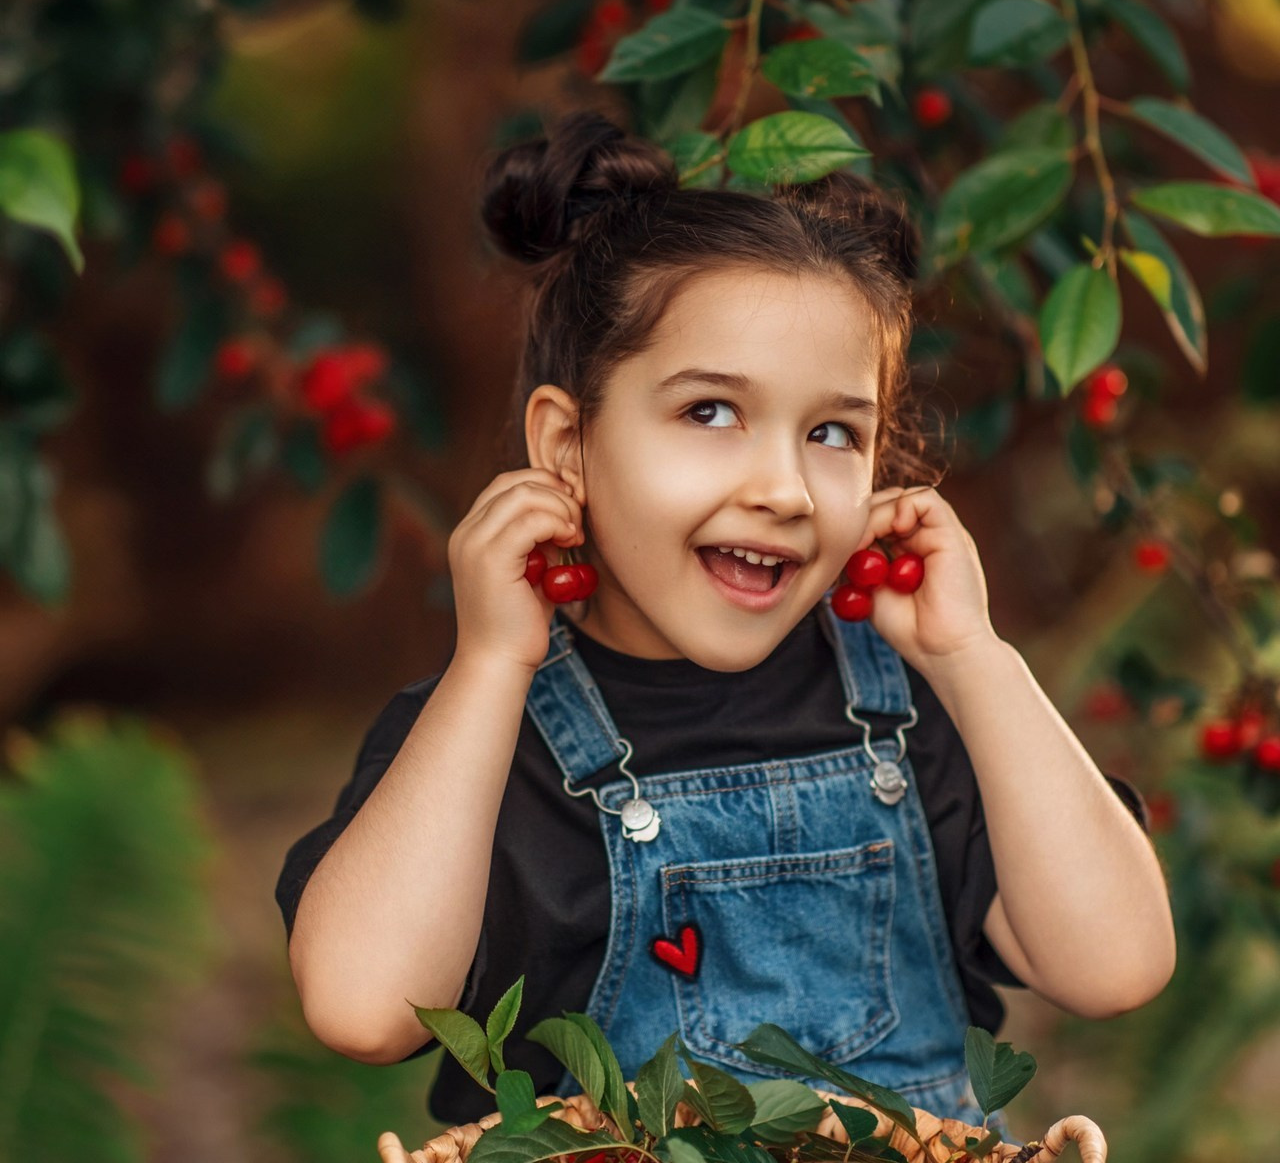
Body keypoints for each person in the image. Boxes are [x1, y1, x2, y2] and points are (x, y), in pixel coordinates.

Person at [276, 111, 1175, 1137]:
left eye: (833, 431)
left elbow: (1116, 964)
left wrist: (972, 658)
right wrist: (487, 665)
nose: (784, 488)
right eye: (710, 412)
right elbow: (359, 1007)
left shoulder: (912, 710)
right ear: (566, 444)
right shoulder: (486, 737)